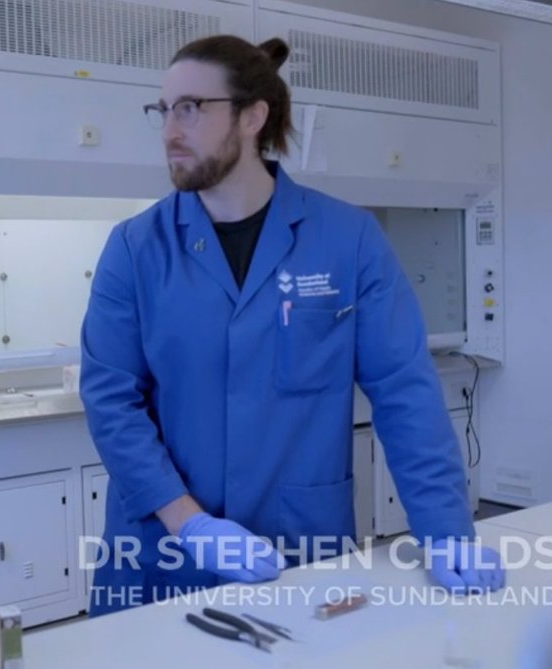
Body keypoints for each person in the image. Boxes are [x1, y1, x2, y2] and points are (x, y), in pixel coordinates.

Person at [79, 34, 504, 616]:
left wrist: (445, 528)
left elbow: (405, 393)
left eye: (190, 109)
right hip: (161, 551)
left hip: (300, 550)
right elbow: (109, 401)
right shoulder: (134, 248)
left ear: (253, 117)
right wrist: (189, 522)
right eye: (163, 110)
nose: (169, 131)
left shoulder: (347, 241)